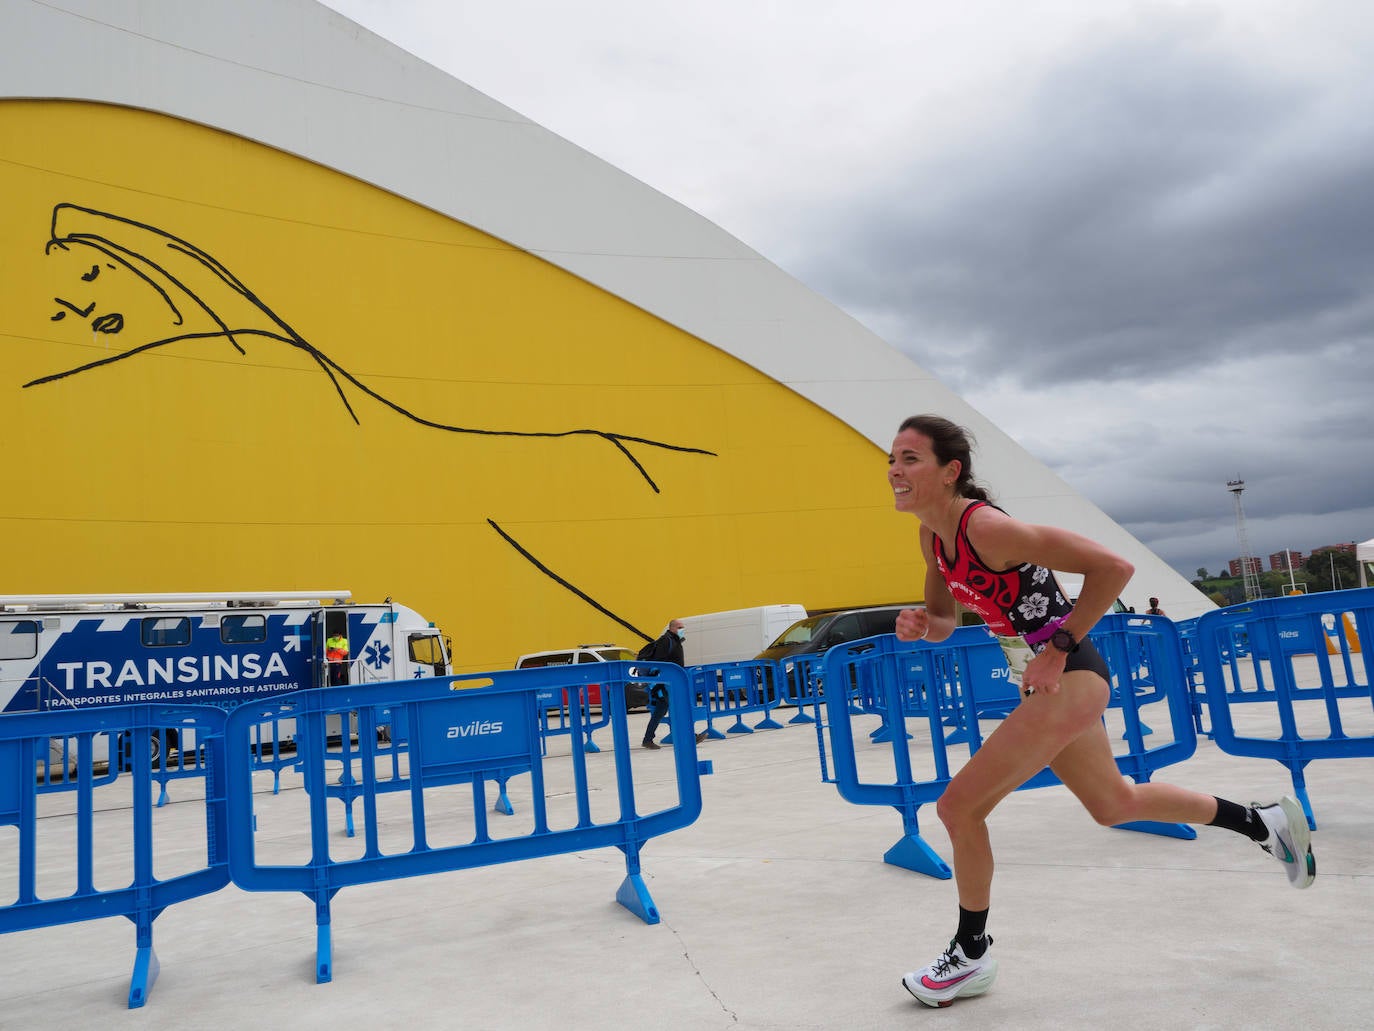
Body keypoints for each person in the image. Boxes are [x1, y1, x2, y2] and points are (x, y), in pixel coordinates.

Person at [886, 414, 1315, 1008]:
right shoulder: (933, 539)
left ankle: (972, 952)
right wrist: (919, 627)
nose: (895, 471)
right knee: (1115, 804)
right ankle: (1262, 822)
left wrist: (1057, 652)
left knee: (958, 807)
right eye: (892, 459)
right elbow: (942, 623)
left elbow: (1113, 568)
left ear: (949, 470)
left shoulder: (985, 528)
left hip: (1070, 676)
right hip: (1044, 683)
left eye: (910, 459)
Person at [640, 619, 707, 749]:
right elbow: (660, 662)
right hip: (664, 683)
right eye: (679, 627)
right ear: (671, 628)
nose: (682, 629)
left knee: (664, 710)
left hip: (670, 683)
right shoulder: (666, 640)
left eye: (683, 627)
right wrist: (659, 683)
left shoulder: (675, 641)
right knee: (675, 709)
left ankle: (648, 739)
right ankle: (689, 736)